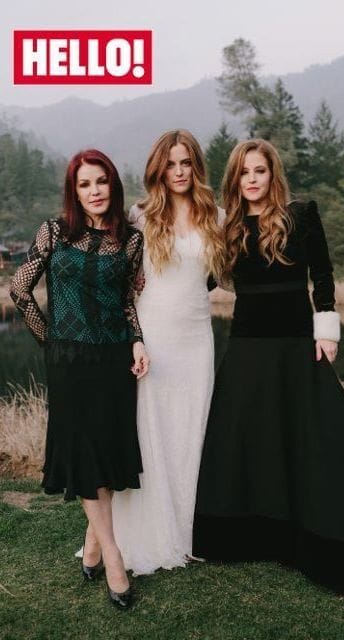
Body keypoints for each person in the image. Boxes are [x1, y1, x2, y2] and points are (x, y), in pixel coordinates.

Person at [193, 139, 344, 599]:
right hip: (247, 347)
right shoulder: (228, 227)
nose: (252, 179)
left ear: (272, 174)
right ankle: (254, 534)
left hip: (298, 343)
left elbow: (323, 274)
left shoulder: (300, 214)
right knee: (248, 440)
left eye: (260, 171)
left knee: (314, 434)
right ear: (235, 179)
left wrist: (327, 330)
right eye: (244, 173)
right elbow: (198, 281)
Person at [10, 149, 149, 609]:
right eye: (84, 184)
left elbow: (127, 300)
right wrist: (48, 338)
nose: (94, 191)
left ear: (113, 185)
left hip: (112, 358)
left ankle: (92, 544)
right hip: (69, 360)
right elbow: (19, 287)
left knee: (105, 449)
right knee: (85, 449)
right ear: (74, 190)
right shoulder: (54, 232)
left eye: (101, 181)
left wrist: (137, 340)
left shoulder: (130, 241)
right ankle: (113, 557)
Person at [112, 129, 226, 574]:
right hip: (153, 338)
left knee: (191, 431)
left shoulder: (214, 215)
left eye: (187, 163)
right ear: (159, 169)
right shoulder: (140, 217)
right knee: (150, 432)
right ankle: (143, 534)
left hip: (197, 338)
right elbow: (121, 283)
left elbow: (219, 277)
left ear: (196, 167)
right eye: (171, 164)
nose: (179, 172)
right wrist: (134, 337)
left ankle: (187, 532)